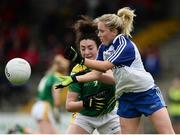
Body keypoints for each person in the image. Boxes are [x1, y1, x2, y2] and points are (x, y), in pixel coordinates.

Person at [56, 7, 174, 134]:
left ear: (113, 31)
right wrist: (74, 79)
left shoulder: (124, 43)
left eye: (101, 31)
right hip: (125, 96)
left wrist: (80, 60)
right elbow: (96, 73)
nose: (99, 35)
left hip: (145, 92)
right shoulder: (103, 48)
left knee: (167, 133)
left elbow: (105, 66)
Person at [65, 16, 121, 134]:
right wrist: (87, 103)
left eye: (90, 48)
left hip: (109, 115)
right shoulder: (77, 70)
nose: (86, 52)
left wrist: (93, 74)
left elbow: (115, 79)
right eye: (82, 48)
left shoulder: (107, 62)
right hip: (85, 117)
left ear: (99, 47)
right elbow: (69, 105)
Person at [31, 54, 69, 133]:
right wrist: (57, 107)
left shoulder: (49, 75)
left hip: (38, 106)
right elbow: (55, 90)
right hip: (44, 107)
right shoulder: (58, 77)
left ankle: (21, 130)